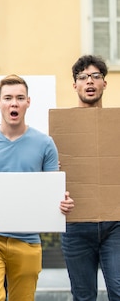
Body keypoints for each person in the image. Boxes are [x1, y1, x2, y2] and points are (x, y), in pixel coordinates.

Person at [0, 74, 74, 301]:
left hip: (27, 240)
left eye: (19, 98)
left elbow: (53, 191)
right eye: (8, 98)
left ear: (28, 102)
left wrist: (62, 203)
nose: (14, 103)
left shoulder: (45, 144)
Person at [61, 55, 120, 301]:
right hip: (75, 224)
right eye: (83, 77)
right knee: (83, 296)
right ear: (75, 85)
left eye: (96, 76)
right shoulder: (62, 127)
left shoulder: (116, 124)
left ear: (105, 83)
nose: (90, 81)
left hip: (116, 223)